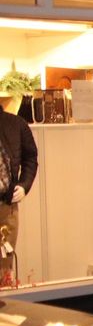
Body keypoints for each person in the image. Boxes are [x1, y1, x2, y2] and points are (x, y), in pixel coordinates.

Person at [0, 94, 39, 279]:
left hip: (6, 207)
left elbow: (30, 157)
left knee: (4, 265)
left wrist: (24, 185)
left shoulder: (16, 124)